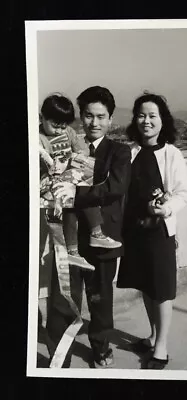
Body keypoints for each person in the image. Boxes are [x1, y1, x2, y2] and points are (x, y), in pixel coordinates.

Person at [47, 86, 131, 368]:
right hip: (69, 236)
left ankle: (100, 346)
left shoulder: (119, 151)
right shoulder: (68, 145)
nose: (94, 123)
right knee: (63, 299)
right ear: (80, 118)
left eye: (100, 116)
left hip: (103, 236)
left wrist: (74, 193)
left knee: (100, 298)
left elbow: (115, 188)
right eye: (88, 116)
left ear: (110, 119)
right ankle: (61, 357)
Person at [117, 93, 187, 370]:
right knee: (146, 286)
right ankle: (151, 336)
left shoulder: (172, 154)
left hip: (159, 232)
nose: (146, 121)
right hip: (134, 231)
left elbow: (183, 193)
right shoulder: (129, 152)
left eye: (152, 116)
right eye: (141, 115)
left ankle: (161, 347)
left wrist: (166, 208)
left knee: (161, 289)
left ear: (163, 120)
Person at [39, 94, 122, 272]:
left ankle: (91, 236)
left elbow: (81, 147)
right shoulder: (39, 138)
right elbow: (43, 159)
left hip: (69, 176)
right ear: (41, 118)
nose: (60, 131)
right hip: (50, 180)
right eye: (55, 126)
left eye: (63, 127)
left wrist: (79, 157)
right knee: (70, 202)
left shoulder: (68, 132)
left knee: (80, 194)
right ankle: (75, 247)